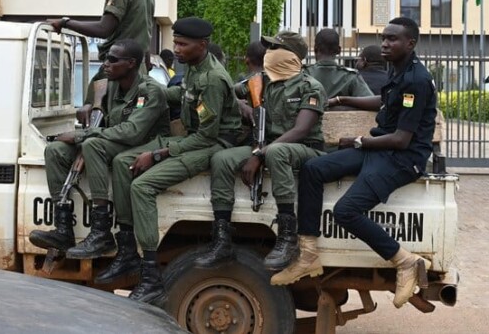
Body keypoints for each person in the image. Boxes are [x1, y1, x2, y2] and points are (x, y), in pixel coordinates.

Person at [271, 17, 437, 310]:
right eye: (384, 38)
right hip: (380, 149)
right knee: (313, 169)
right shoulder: (398, 70)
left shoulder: (416, 80)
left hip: (402, 159)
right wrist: (340, 100)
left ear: (410, 43)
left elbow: (401, 139)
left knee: (345, 211)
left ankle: (405, 261)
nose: (385, 43)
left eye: (393, 39)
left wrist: (359, 141)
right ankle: (308, 254)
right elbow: (384, 102)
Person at [107, 17, 243, 306]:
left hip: (211, 143)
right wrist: (150, 91)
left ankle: (151, 278)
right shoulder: (194, 67)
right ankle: (127, 248)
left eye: (182, 44)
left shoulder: (212, 79)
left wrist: (158, 154)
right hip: (192, 139)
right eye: (176, 43)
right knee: (122, 162)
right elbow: (183, 95)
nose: (177, 49)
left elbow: (206, 136)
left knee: (142, 187)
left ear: (202, 45)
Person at [28, 40, 170, 284]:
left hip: (146, 142)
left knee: (92, 144)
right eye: (106, 58)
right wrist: (88, 107)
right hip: (116, 139)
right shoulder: (111, 85)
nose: (106, 64)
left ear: (131, 63)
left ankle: (101, 229)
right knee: (55, 151)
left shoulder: (150, 91)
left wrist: (82, 135)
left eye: (112, 60)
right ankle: (63, 230)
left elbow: (133, 132)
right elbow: (101, 114)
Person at [195, 31, 326, 271]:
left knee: (277, 152)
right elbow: (226, 92)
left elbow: (301, 130)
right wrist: (241, 105)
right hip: (264, 145)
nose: (269, 53)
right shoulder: (261, 81)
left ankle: (287, 237)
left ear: (292, 56)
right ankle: (222, 237)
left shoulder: (310, 86)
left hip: (304, 149)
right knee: (221, 159)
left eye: (275, 48)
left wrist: (260, 154)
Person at [48, 0, 155, 122]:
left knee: (95, 119)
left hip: (118, 71)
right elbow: (145, 37)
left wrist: (65, 22)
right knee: (131, 120)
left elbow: (104, 29)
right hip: (136, 71)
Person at [304, 28, 373, 108]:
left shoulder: (303, 74)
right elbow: (370, 102)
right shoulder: (350, 76)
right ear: (339, 50)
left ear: (315, 49)